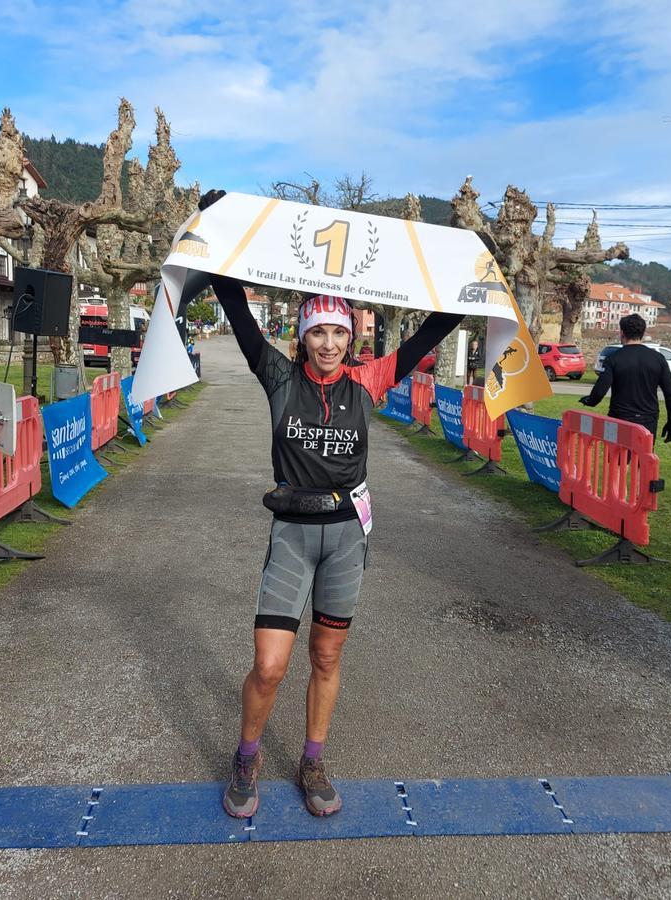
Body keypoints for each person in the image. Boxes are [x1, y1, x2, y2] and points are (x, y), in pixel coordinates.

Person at [197, 190, 464, 819]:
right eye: (317, 330)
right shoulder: (278, 377)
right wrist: (217, 234)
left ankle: (313, 756)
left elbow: (434, 329)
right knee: (269, 666)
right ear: (303, 335)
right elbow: (235, 309)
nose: (328, 343)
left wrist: (462, 276)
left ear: (351, 336)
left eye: (338, 331)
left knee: (326, 655)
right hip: (292, 532)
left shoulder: (368, 380)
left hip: (346, 534)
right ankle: (247, 755)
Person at [579, 313, 671, 443]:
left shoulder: (613, 358)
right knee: (642, 459)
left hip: (619, 417)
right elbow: (670, 394)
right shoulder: (658, 358)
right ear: (643, 333)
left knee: (615, 460)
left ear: (622, 333)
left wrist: (589, 401)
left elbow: (600, 390)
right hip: (647, 419)